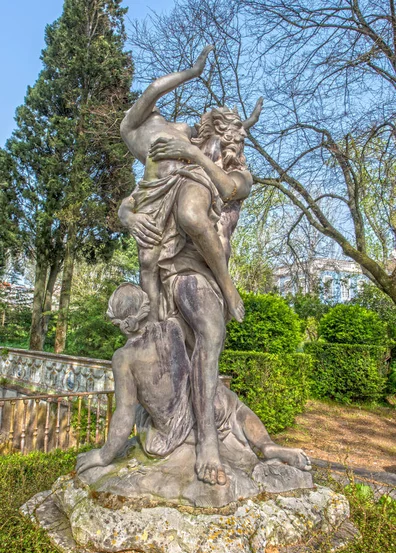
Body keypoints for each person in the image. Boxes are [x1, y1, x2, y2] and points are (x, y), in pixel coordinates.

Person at [118, 47, 263, 485]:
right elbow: (137, 196)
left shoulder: (239, 175)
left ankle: (209, 439)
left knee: (210, 335)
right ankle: (200, 441)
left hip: (211, 274)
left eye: (240, 141)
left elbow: (228, 187)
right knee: (182, 337)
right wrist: (130, 217)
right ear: (216, 132)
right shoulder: (180, 158)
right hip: (177, 271)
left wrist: (199, 157)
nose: (236, 147)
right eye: (231, 139)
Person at [76, 284, 311, 477]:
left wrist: (103, 455)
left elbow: (124, 413)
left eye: (116, 323)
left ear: (127, 323)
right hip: (207, 406)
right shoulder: (173, 327)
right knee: (233, 404)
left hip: (174, 427)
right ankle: (266, 445)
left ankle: (262, 445)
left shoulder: (124, 357)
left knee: (138, 409)